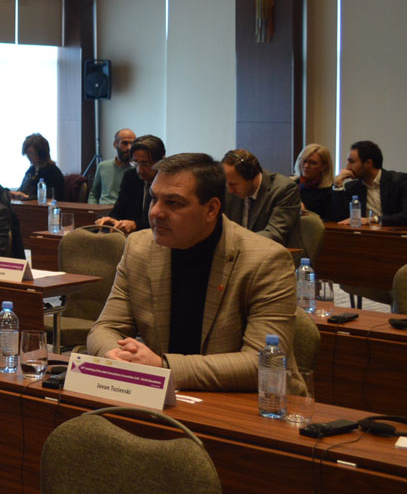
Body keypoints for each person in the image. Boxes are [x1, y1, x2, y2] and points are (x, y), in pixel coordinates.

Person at [87, 152, 305, 393]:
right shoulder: (139, 247)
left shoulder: (266, 259)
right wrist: (115, 356)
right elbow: (105, 328)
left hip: (252, 402)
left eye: (173, 203)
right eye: (154, 198)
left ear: (211, 209)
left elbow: (263, 361)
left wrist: (162, 366)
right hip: (166, 396)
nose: (156, 212)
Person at [221, 149, 303, 250]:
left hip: (278, 254)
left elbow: (275, 233)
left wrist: (237, 242)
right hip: (240, 254)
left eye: (233, 184)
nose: (229, 190)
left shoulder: (284, 189)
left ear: (252, 177)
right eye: (227, 183)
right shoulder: (230, 189)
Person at [331, 140, 407, 227]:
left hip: (400, 235)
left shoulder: (401, 181)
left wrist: (373, 219)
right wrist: (337, 184)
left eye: (352, 162)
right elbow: (342, 219)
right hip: (368, 235)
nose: (347, 167)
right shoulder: (353, 187)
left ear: (368, 163)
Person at [96, 134, 166, 234]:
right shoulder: (131, 176)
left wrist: (136, 225)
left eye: (145, 164)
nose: (139, 170)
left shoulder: (169, 182)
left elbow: (162, 221)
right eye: (136, 163)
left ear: (161, 161)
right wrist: (110, 220)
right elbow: (119, 210)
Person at [10, 132, 66, 201]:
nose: (28, 156)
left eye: (30, 153)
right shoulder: (31, 170)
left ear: (41, 153)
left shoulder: (53, 172)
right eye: (26, 153)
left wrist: (26, 197)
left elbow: (49, 197)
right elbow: (22, 190)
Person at [88, 127, 136, 205]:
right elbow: (93, 194)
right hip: (102, 209)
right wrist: (92, 209)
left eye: (132, 144)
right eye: (125, 143)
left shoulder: (136, 171)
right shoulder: (103, 166)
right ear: (115, 144)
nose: (129, 147)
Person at [293, 143, 337, 218]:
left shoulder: (330, 191)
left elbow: (332, 218)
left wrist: (306, 213)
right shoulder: (292, 185)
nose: (306, 166)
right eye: (304, 161)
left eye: (313, 163)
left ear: (323, 166)